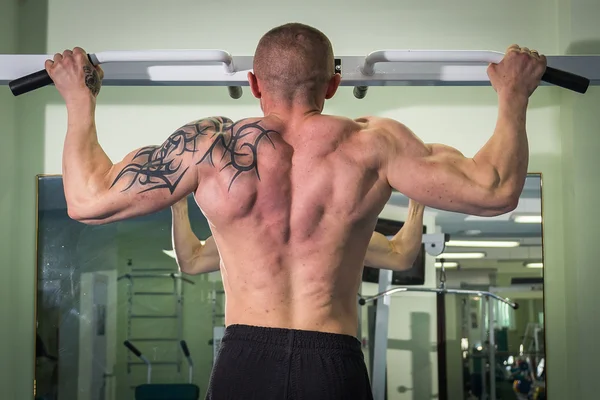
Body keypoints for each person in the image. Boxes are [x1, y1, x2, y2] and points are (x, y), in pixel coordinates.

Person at [46, 22, 547, 399]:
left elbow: (87, 201)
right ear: (333, 85)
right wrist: (513, 95)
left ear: (254, 83)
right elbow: (497, 189)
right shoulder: (373, 145)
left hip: (244, 361)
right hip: (333, 364)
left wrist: (78, 98)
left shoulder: (209, 147)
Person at [170, 196, 425, 274]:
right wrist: (416, 204)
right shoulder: (339, 234)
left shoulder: (245, 234)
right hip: (255, 342)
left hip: (323, 344)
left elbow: (192, 261)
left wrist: (179, 204)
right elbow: (400, 256)